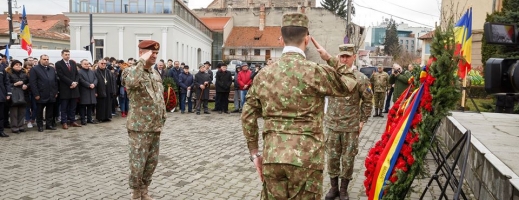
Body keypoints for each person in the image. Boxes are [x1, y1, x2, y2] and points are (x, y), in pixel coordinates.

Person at [241, 13, 358, 199]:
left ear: (281, 40)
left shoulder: (263, 75)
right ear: (307, 39)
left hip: (273, 156)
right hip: (307, 158)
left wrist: (255, 153)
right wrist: (330, 58)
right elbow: (351, 82)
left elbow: (247, 116)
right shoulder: (316, 72)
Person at [323, 44, 373, 200]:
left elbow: (367, 100)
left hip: (351, 126)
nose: (344, 59)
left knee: (348, 158)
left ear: (354, 57)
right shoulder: (332, 76)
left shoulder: (361, 79)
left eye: (347, 56)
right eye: (341, 56)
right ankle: (333, 188)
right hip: (332, 125)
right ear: (338, 57)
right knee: (332, 157)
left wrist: (362, 121)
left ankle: (343, 189)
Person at [122, 40, 166, 200]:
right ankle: (135, 193)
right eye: (151, 53)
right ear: (141, 53)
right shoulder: (130, 71)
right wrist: (141, 61)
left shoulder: (155, 73)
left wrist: (163, 117)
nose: (154, 56)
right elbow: (131, 82)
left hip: (155, 127)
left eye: (156, 53)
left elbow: (159, 97)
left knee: (151, 163)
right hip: (139, 127)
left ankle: (144, 191)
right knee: (137, 163)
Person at [29, 54, 58, 132]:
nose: (46, 61)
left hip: (51, 94)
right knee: (39, 111)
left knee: (50, 111)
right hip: (41, 94)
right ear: (40, 60)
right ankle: (40, 125)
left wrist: (55, 92)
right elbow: (33, 83)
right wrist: (36, 94)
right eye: (44, 59)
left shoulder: (52, 69)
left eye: (47, 59)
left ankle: (49, 125)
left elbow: (55, 81)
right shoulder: (35, 69)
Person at [55, 50, 82, 129]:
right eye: (66, 54)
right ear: (62, 55)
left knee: (73, 107)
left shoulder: (73, 63)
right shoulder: (58, 64)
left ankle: (72, 121)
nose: (67, 56)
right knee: (64, 107)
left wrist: (76, 82)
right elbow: (61, 75)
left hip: (74, 88)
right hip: (65, 88)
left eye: (68, 54)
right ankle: (64, 122)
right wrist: (71, 83)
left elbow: (77, 74)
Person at [7, 60, 28, 134]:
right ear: (12, 66)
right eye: (16, 65)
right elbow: (6, 83)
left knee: (22, 112)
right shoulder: (9, 73)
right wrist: (14, 84)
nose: (18, 66)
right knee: (14, 113)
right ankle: (15, 127)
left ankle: (21, 126)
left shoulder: (24, 73)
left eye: (19, 64)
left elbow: (28, 82)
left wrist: (26, 86)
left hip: (23, 94)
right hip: (14, 95)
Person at [77, 59, 98, 125]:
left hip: (91, 91)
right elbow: (81, 80)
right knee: (83, 106)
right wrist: (89, 85)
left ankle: (89, 119)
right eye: (85, 64)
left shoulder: (92, 71)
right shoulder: (79, 72)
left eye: (87, 64)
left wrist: (94, 84)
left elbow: (96, 79)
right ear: (82, 65)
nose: (86, 65)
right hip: (84, 91)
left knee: (90, 106)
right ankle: (83, 120)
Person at [23, 61, 37, 129]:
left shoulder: (35, 73)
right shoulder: (23, 74)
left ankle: (33, 119)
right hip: (26, 93)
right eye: (27, 68)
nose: (29, 69)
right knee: (27, 107)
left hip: (34, 92)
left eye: (30, 67)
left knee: (35, 107)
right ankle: (28, 120)